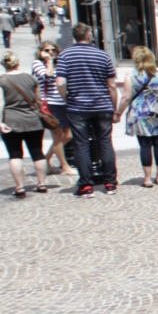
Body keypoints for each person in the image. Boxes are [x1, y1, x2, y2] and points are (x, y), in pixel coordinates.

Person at [56, 23, 119, 198]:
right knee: (105, 142)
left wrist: (66, 99)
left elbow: (60, 82)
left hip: (78, 106)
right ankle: (110, 182)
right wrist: (114, 107)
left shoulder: (65, 55)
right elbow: (112, 85)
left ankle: (86, 185)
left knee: (81, 145)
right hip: (102, 104)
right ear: (89, 35)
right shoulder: (102, 56)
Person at [0, 51, 49, 197]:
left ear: (3, 64)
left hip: (11, 121)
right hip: (33, 120)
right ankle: (41, 184)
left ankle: (20, 187)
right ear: (18, 63)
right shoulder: (30, 78)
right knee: (37, 152)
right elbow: (38, 99)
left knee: (15, 154)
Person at [122, 46, 158, 188]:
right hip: (157, 112)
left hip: (140, 113)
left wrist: (119, 112)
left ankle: (147, 178)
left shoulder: (131, 75)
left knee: (144, 145)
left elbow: (126, 96)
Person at [33, 41, 71, 173]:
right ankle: (64, 165)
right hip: (49, 103)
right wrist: (49, 62)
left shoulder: (60, 63)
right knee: (58, 135)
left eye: (53, 50)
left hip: (63, 102)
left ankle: (46, 159)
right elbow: (47, 77)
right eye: (47, 50)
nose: (50, 53)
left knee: (68, 135)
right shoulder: (37, 64)